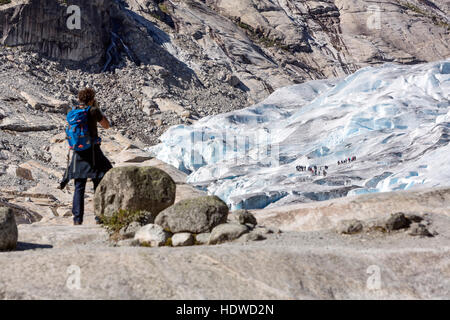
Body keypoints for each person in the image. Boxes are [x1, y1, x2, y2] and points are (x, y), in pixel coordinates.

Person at [63, 88, 113, 225]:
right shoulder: (93, 110)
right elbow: (106, 125)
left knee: (79, 185)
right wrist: (97, 109)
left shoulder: (72, 112)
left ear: (79, 99)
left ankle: (77, 220)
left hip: (78, 152)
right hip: (93, 152)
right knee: (100, 180)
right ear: (91, 99)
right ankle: (99, 217)